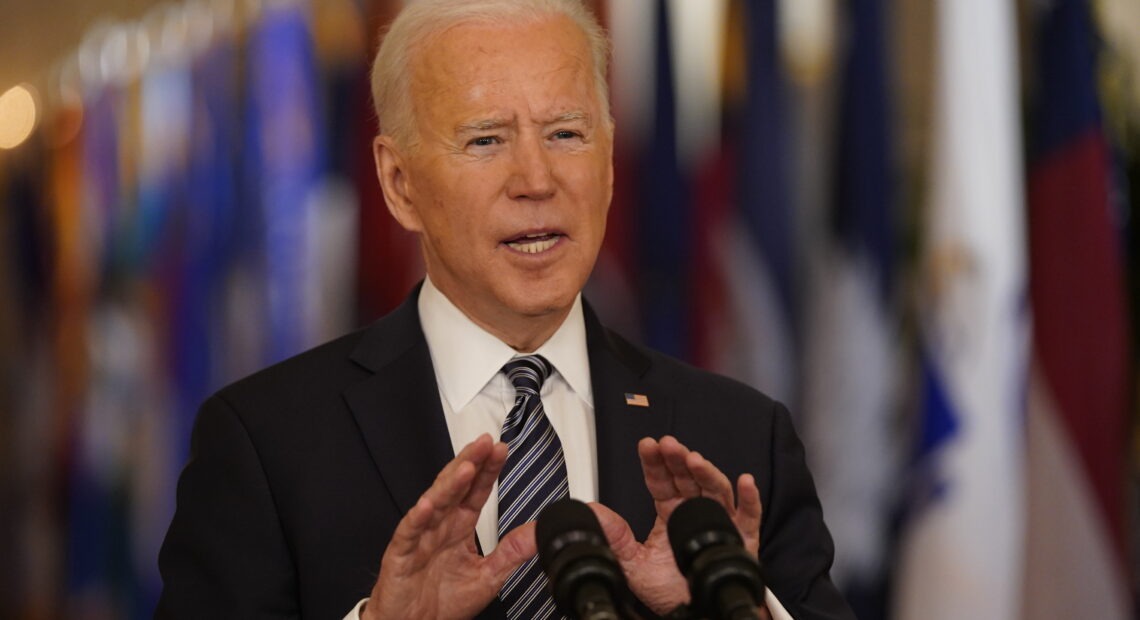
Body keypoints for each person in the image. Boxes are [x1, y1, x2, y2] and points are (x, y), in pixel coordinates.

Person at [156, 1, 855, 619]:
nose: (536, 180)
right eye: (486, 139)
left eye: (567, 134)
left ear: (610, 165)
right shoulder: (265, 444)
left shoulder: (739, 439)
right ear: (398, 184)